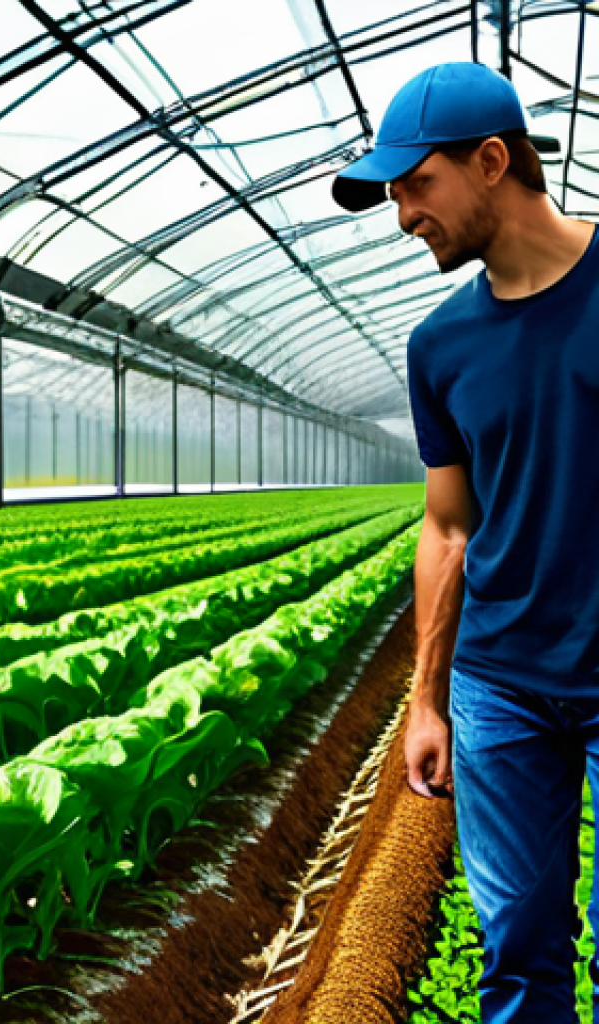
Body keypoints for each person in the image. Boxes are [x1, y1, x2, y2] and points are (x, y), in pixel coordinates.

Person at [332, 61, 599, 1022]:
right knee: (519, 956)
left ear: (493, 161)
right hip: (502, 688)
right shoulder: (439, 346)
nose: (404, 215)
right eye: (395, 194)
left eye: (416, 186)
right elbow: (448, 529)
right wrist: (427, 702)